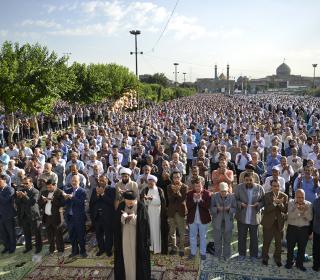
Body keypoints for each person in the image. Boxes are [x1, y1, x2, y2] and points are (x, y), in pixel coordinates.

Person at [114, 190, 151, 280]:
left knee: (136, 256)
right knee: (125, 255)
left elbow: (144, 224)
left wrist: (133, 218)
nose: (129, 204)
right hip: (125, 235)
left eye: (132, 202)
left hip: (137, 237)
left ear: (135, 200)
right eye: (127, 202)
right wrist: (123, 218)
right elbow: (116, 222)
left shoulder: (141, 207)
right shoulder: (122, 205)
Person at [235, 172, 264, 261]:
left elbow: (263, 201)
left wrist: (258, 204)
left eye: (250, 180)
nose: (248, 182)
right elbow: (235, 199)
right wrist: (240, 204)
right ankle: (242, 254)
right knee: (241, 237)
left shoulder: (259, 188)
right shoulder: (239, 187)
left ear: (254, 179)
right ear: (244, 180)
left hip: (254, 217)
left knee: (254, 238)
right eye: (246, 180)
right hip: (242, 217)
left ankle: (253, 255)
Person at [261, 179, 288, 267]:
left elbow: (285, 210)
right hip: (268, 223)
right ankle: (265, 258)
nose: (276, 188)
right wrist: (275, 203)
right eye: (274, 186)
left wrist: (280, 204)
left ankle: (277, 258)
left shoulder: (284, 196)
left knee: (279, 243)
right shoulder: (266, 195)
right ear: (271, 186)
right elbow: (267, 209)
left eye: (277, 186)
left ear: (280, 186)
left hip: (279, 224)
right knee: (266, 241)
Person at [285, 189, 313, 271]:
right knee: (290, 247)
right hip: (292, 228)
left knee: (302, 248)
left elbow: (310, 218)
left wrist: (304, 212)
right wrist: (298, 209)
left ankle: (299, 264)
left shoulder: (309, 204)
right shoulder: (290, 202)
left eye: (302, 197)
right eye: (298, 197)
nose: (300, 199)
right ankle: (289, 262)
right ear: (295, 196)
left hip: (304, 230)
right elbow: (290, 216)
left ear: (304, 197)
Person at [140, 174, 168, 254]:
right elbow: (143, 203)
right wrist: (146, 199)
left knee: (157, 230)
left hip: (157, 213)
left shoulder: (159, 190)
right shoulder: (145, 190)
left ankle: (157, 249)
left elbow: (160, 202)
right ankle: (151, 248)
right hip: (149, 212)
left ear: (154, 182)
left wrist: (152, 199)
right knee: (150, 230)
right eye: (148, 182)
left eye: (151, 182)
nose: (149, 184)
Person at [89, 175, 115, 256]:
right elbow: (91, 203)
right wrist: (97, 194)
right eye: (100, 181)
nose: (101, 182)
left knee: (108, 235)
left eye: (103, 181)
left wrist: (103, 194)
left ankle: (108, 250)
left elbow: (111, 202)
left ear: (107, 181)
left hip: (107, 216)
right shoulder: (94, 190)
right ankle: (101, 249)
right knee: (99, 235)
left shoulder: (111, 189)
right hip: (97, 216)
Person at [186, 177, 211, 260]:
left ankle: (202, 252)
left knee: (203, 236)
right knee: (192, 236)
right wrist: (194, 200)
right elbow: (188, 206)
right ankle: (193, 252)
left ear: (202, 186)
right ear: (194, 186)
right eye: (196, 186)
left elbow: (207, 206)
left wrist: (200, 200)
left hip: (203, 219)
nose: (198, 188)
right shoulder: (189, 194)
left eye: (199, 186)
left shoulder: (207, 193)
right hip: (192, 219)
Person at [15, 177, 42, 254]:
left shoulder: (35, 191)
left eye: (26, 183)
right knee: (26, 233)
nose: (25, 185)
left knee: (37, 233)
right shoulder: (22, 191)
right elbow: (17, 203)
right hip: (24, 215)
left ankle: (38, 248)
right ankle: (28, 247)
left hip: (34, 215)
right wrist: (19, 197)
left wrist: (24, 196)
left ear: (31, 183)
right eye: (24, 183)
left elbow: (32, 202)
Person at [211, 182, 236, 260]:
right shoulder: (214, 196)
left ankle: (227, 255)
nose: (223, 193)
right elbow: (211, 208)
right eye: (222, 191)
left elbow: (235, 209)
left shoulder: (232, 197)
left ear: (228, 190)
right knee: (217, 240)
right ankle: (217, 254)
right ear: (219, 190)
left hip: (228, 222)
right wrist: (217, 209)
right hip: (217, 222)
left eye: (225, 191)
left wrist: (229, 209)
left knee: (227, 240)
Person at [39, 179, 65, 255]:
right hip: (47, 217)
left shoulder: (60, 192)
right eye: (48, 187)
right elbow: (39, 203)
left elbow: (62, 204)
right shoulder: (44, 192)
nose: (49, 189)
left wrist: (53, 200)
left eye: (50, 187)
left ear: (55, 185)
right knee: (49, 235)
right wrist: (44, 201)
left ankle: (60, 250)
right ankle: (51, 249)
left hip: (56, 218)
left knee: (58, 235)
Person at [64, 174, 87, 258]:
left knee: (81, 235)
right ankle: (74, 251)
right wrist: (65, 198)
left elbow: (81, 203)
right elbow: (65, 204)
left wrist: (72, 197)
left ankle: (83, 251)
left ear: (79, 182)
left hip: (79, 218)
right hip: (70, 217)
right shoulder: (67, 190)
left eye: (75, 181)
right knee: (72, 235)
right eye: (72, 180)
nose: (73, 182)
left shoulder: (82, 191)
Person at [167, 171, 188, 256]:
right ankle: (174, 247)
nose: (176, 179)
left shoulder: (184, 187)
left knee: (182, 231)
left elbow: (181, 200)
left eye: (178, 177)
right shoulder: (169, 187)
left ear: (181, 177)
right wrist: (175, 192)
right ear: (172, 178)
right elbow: (170, 200)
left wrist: (177, 191)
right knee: (172, 231)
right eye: (175, 177)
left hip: (181, 211)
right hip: (172, 211)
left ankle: (182, 248)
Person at [0, 174, 16, 254]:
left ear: (4, 180)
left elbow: (5, 201)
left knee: (10, 231)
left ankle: (12, 247)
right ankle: (6, 246)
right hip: (1, 215)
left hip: (8, 214)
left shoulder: (10, 189)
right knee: (2, 232)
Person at [312, 194, 320, 271]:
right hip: (317, 230)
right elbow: (317, 213)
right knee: (316, 248)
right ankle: (316, 265)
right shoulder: (316, 201)